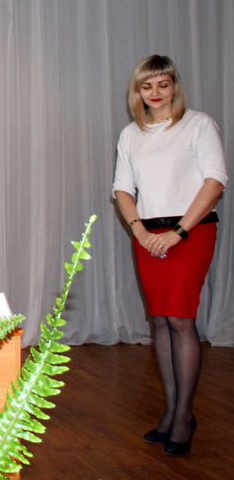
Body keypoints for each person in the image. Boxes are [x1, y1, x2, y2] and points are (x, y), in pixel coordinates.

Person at [112, 55, 227, 457]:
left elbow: (215, 181)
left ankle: (184, 416)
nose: (156, 92)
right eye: (147, 86)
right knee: (159, 320)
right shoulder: (131, 134)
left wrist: (179, 233)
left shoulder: (198, 124)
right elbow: (122, 188)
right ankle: (170, 411)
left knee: (180, 319)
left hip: (191, 232)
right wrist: (140, 231)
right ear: (138, 92)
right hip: (147, 235)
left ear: (174, 85)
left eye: (163, 84)